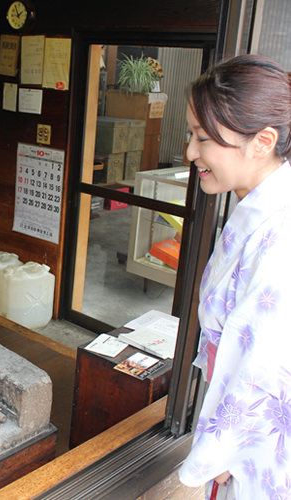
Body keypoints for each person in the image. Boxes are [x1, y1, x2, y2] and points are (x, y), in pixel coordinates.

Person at [178, 54, 291, 500]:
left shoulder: (280, 236)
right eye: (191, 135)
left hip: (260, 451)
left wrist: (221, 451)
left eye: (203, 138)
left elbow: (261, 366)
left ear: (263, 141)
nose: (190, 153)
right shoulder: (260, 206)